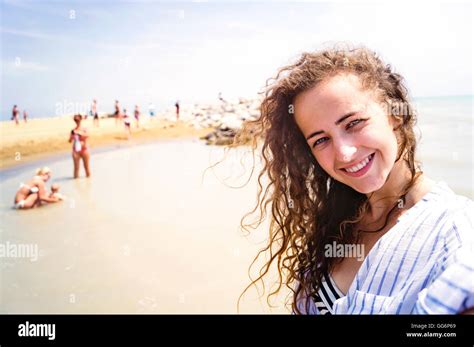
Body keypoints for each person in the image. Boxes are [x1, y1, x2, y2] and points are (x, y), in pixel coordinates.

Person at [237, 46, 474, 314]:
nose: (344, 153)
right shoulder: (338, 219)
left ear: (395, 115)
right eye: (321, 140)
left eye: (353, 123)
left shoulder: (455, 229)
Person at [69, 114, 91, 178]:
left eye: (78, 120)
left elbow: (87, 135)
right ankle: (76, 179)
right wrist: (72, 136)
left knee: (86, 167)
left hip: (84, 150)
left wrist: (79, 133)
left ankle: (88, 182)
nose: (77, 121)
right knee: (76, 168)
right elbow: (70, 140)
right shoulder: (73, 130)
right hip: (76, 150)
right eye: (75, 120)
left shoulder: (84, 128)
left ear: (81, 120)